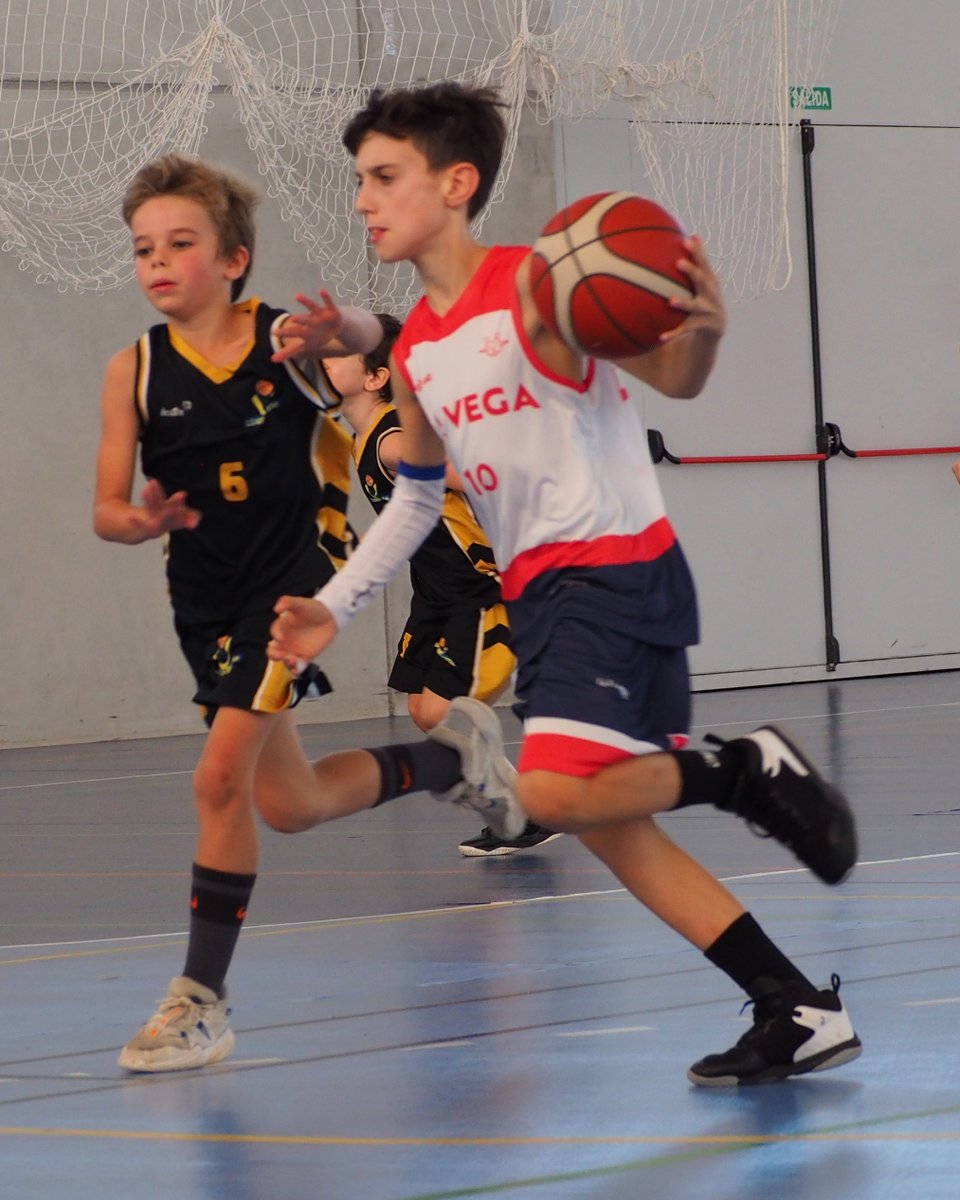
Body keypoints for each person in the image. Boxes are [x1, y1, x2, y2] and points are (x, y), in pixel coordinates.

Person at [267, 81, 862, 1087]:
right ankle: (794, 1005)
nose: (364, 200)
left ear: (457, 183)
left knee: (544, 792)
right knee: (608, 828)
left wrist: (703, 331)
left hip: (613, 564)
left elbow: (675, 377)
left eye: (384, 177)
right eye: (360, 180)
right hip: (544, 593)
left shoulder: (540, 285)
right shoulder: (415, 351)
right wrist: (334, 607)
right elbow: (413, 504)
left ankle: (744, 770)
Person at [94, 152, 521, 1074]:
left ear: (234, 258)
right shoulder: (132, 370)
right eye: (142, 249)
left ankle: (200, 1003)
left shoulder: (287, 341)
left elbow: (379, 339)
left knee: (216, 784)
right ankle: (449, 759)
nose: (159, 261)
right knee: (289, 804)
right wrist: (139, 520)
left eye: (181, 242)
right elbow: (105, 508)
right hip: (201, 602)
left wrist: (350, 324)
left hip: (290, 588)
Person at [321, 312, 561, 858]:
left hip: (477, 592)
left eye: (338, 354)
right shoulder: (363, 438)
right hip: (435, 592)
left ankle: (524, 810)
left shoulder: (392, 442)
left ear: (377, 375)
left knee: (439, 711)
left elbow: (481, 471)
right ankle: (519, 811)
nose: (325, 360)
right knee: (424, 710)